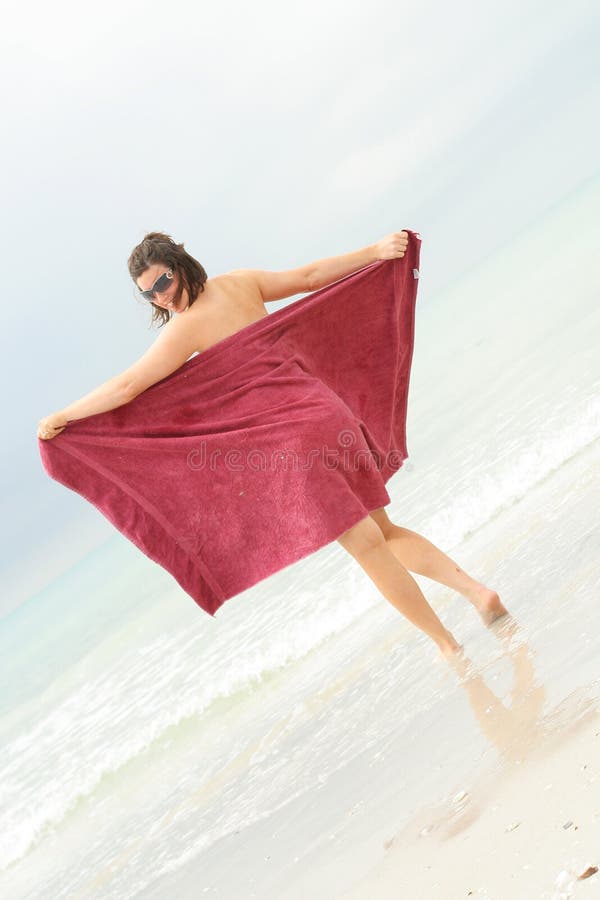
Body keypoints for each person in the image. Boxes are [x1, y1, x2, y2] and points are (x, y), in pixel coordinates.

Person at [37, 230, 508, 658]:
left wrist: (64, 415)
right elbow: (307, 277)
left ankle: (447, 646)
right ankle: (477, 593)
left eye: (163, 282)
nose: (162, 297)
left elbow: (128, 388)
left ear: (180, 265)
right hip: (328, 414)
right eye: (149, 293)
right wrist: (373, 251)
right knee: (383, 532)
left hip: (296, 441)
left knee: (367, 548)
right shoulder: (239, 282)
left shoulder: (185, 329)